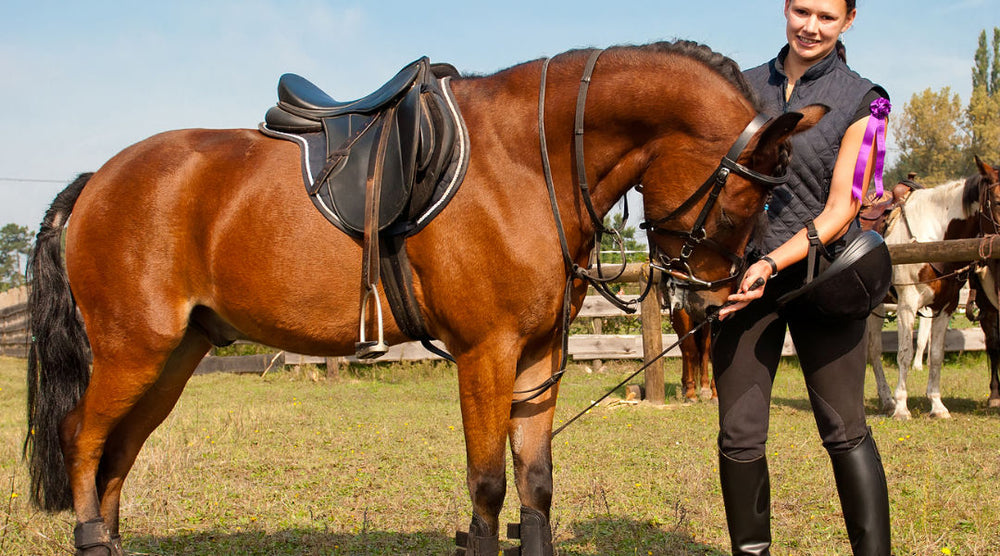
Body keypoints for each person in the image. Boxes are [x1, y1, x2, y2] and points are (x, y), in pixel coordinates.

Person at [711, 0, 891, 554]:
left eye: (827, 16)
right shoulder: (735, 87)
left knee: (844, 431)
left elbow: (842, 207)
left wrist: (771, 262)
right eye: (802, 10)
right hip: (746, 288)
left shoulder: (868, 101)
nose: (811, 27)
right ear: (785, 9)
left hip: (822, 280)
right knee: (739, 436)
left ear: (849, 20)